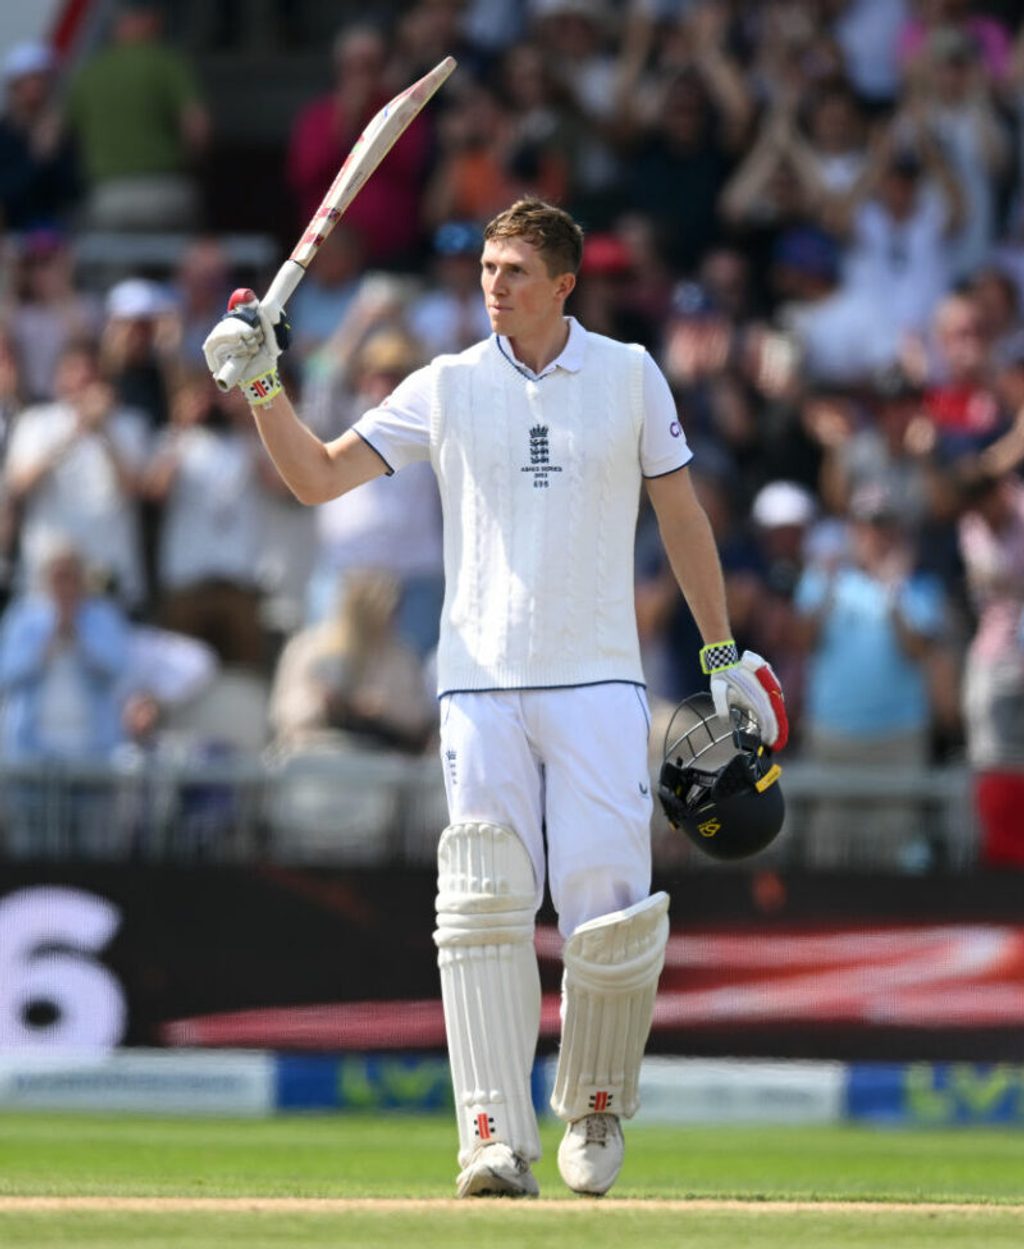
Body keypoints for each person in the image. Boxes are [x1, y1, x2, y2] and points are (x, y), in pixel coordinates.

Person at [202, 198, 788, 1199]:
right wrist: (261, 383)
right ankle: (490, 1135)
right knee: (480, 906)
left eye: (514, 270)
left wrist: (721, 650)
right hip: (476, 681)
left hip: (599, 673)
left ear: (564, 283)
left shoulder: (628, 372)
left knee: (607, 906)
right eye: (485, 268)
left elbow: (681, 515)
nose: (493, 286)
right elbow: (315, 478)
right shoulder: (447, 384)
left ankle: (594, 1109)